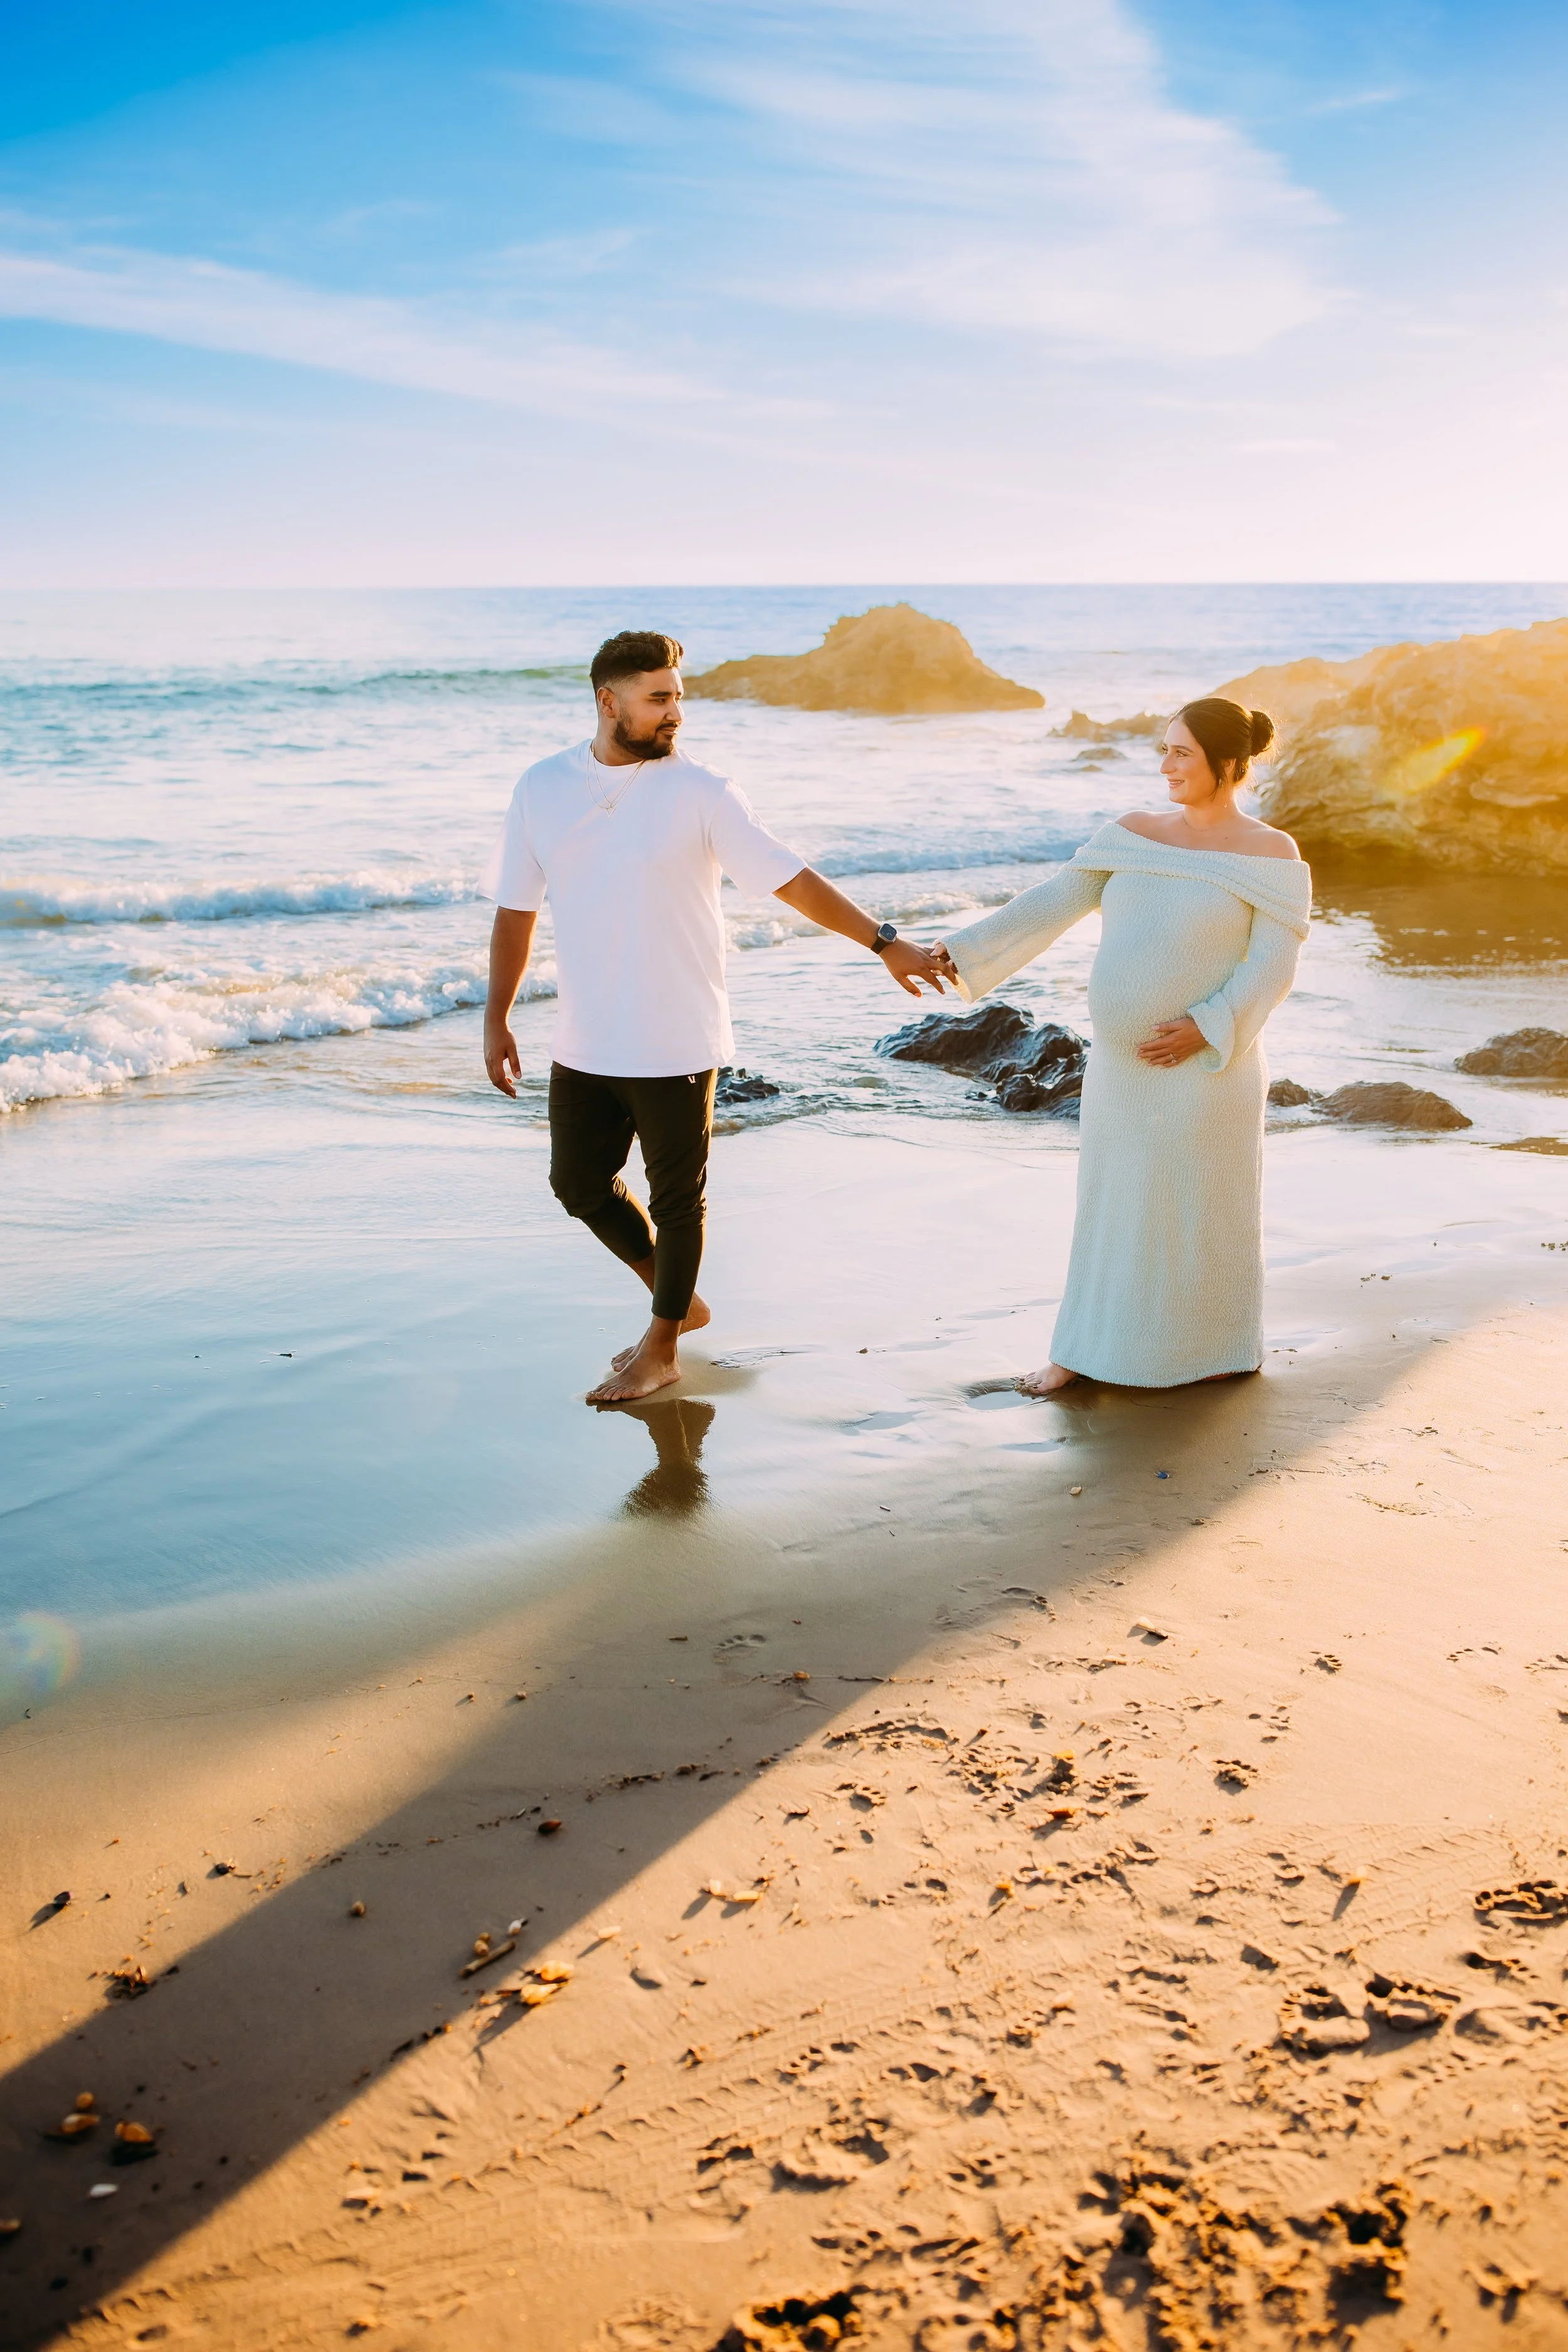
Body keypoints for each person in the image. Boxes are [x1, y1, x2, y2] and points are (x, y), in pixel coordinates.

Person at [482, 630, 947, 1403]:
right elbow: (514, 909)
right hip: (585, 1035)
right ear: (609, 701)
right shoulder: (541, 787)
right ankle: (679, 1298)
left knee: (676, 1199)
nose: (675, 715)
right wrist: (496, 1017)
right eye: (659, 699)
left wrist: (884, 941)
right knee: (578, 1183)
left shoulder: (703, 791)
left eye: (679, 700)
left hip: (676, 1031)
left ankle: (661, 1346)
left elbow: (790, 880)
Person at [933, 698, 1311, 1393]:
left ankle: (1216, 1350)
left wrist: (1208, 1024)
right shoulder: (1132, 833)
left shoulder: (1271, 853)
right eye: (1164, 750)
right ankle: (1078, 1354)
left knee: (1203, 1207)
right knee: (1112, 1204)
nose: (1165, 766)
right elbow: (1050, 903)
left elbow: (1272, 966)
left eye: (1181, 754)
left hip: (1211, 1066)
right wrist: (957, 952)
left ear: (1228, 764)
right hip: (1120, 1069)